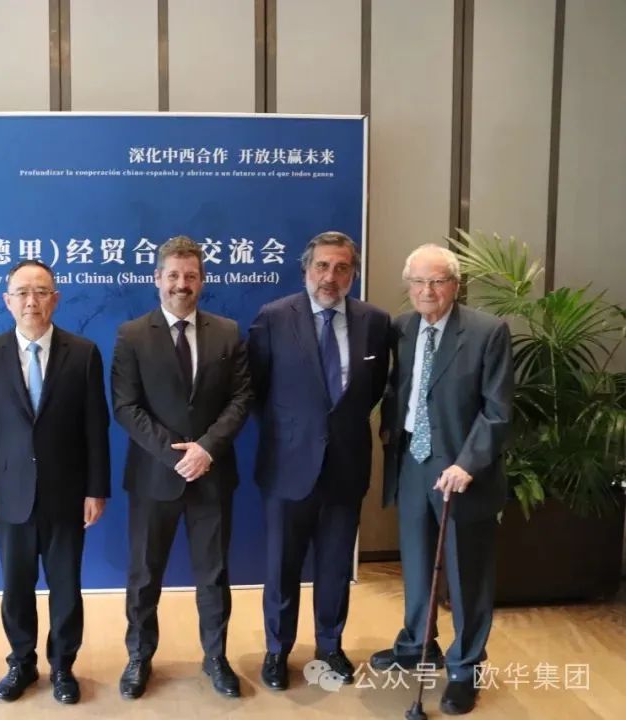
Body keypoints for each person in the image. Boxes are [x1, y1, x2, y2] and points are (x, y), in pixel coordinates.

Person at [370, 244, 512, 715]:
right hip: (413, 461)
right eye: (418, 281)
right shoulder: (402, 328)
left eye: (437, 281)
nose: (427, 291)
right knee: (416, 562)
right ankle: (417, 645)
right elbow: (399, 388)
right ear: (408, 285)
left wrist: (468, 463)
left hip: (461, 471)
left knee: (466, 573)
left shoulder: (487, 331)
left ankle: (465, 668)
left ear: (455, 285)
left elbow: (497, 410)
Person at [111, 235, 253, 699]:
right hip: (154, 476)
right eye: (173, 275)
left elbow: (241, 398)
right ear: (157, 278)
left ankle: (216, 657)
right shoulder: (132, 335)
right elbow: (125, 406)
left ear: (202, 280)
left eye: (190, 276)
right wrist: (177, 455)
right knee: (144, 575)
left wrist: (206, 449)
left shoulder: (228, 332)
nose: (181, 284)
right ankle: (139, 657)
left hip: (212, 473)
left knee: (214, 574)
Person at [247, 231, 390, 690]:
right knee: (281, 567)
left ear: (354, 274)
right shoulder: (273, 317)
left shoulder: (375, 322)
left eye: (342, 268)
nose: (331, 277)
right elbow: (256, 390)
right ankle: (277, 650)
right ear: (306, 269)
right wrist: (294, 432)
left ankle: (330, 645)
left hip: (345, 466)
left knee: (335, 566)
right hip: (287, 465)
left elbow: (373, 388)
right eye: (322, 266)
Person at [0, 260, 110, 705]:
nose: (32, 301)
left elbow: (96, 427)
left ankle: (63, 666)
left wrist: (96, 488)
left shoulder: (83, 352)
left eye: (41, 292)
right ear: (7, 301)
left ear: (55, 299)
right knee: (16, 587)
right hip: (9, 493)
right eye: (22, 292)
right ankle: (21, 663)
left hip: (67, 492)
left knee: (66, 587)